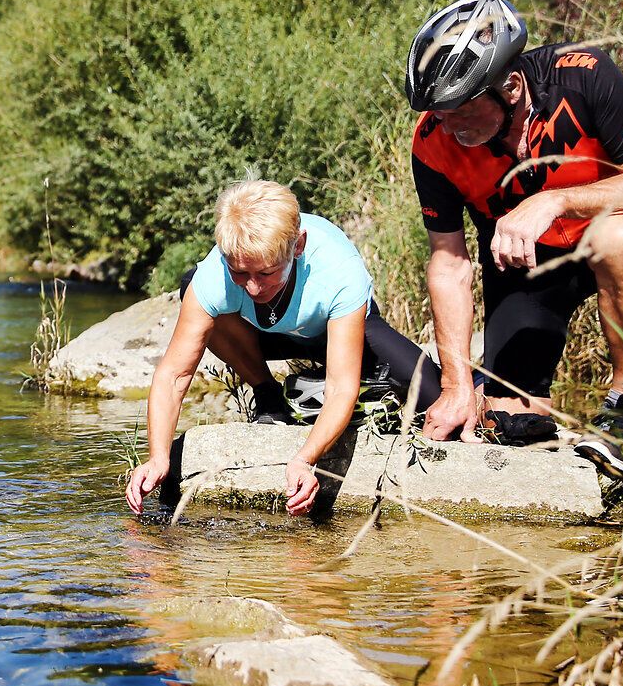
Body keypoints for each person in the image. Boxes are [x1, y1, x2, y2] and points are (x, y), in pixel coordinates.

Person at [403, 0, 623, 474]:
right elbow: (449, 262)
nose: (446, 128)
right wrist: (456, 385)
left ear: (510, 86)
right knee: (509, 426)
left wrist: (554, 199)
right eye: (438, 114)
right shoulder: (433, 142)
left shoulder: (584, 76)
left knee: (620, 239)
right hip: (524, 268)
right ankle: (521, 408)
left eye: (460, 112)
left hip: (605, 239)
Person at [124, 180, 438, 518]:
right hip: (263, 335)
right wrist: (158, 457)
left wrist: (305, 458)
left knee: (429, 391)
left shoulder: (338, 268)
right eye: (240, 273)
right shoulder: (214, 275)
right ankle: (268, 394)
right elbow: (174, 375)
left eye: (267, 272)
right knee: (196, 295)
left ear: (298, 246)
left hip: (337, 332)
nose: (255, 286)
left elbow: (340, 388)